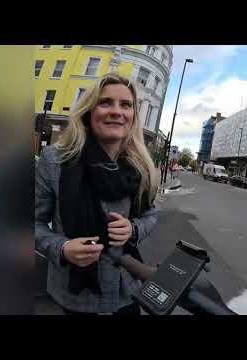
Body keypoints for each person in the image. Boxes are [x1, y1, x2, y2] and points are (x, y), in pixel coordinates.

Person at [35, 73, 159, 315]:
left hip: (126, 290)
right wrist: (62, 248)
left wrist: (133, 229)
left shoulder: (140, 166)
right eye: (105, 102)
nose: (116, 111)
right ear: (89, 111)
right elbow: (33, 223)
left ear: (133, 116)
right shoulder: (55, 160)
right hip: (75, 296)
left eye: (126, 105)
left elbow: (151, 215)